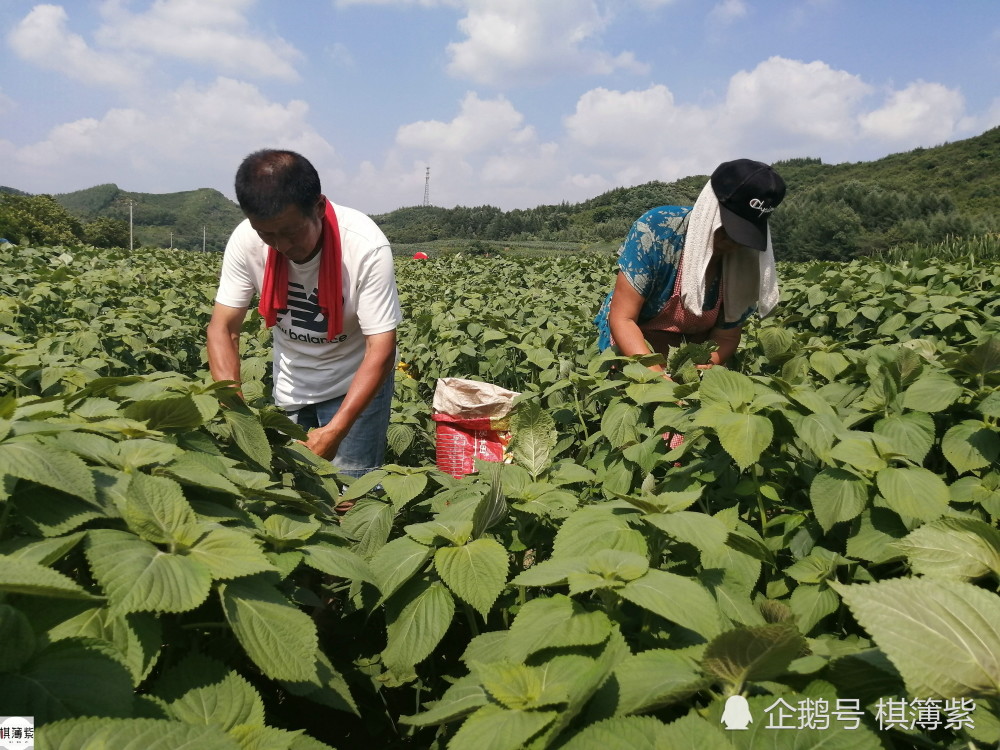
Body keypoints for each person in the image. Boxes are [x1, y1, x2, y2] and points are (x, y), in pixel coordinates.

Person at [207, 149, 402, 478]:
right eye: (267, 234)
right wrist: (237, 414)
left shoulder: (365, 246)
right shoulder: (246, 241)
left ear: (319, 208)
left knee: (348, 490)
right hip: (293, 382)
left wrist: (336, 431)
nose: (280, 245)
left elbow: (381, 348)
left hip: (355, 381)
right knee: (290, 488)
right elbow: (222, 329)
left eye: (291, 232)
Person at [594, 159, 786, 377]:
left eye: (744, 234)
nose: (734, 242)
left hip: (691, 353)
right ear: (709, 209)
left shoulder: (747, 258)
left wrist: (700, 367)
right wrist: (656, 379)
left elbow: (728, 336)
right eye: (728, 228)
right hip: (634, 343)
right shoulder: (658, 231)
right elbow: (623, 319)